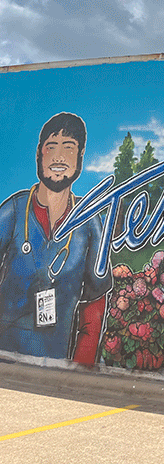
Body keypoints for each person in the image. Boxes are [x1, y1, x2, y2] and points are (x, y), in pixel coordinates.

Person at [0, 113, 112, 363]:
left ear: (80, 157)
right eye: (52, 147)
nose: (59, 157)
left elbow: (95, 303)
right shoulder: (14, 211)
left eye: (69, 148)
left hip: (56, 369)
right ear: (39, 153)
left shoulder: (90, 221)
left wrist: (80, 370)